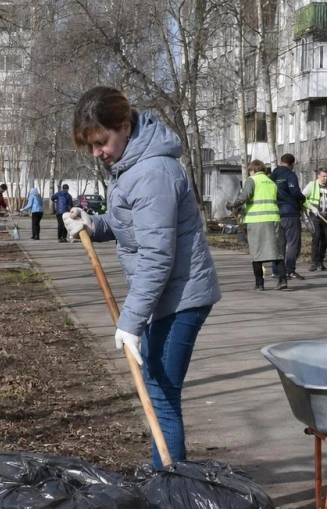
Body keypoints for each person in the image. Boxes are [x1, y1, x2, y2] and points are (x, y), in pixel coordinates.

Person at [62, 86, 221, 469]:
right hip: (164, 296)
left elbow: (157, 256)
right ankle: (166, 482)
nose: (97, 152)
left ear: (125, 125)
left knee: (161, 396)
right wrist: (93, 224)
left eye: (101, 142)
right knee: (158, 390)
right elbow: (134, 226)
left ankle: (170, 492)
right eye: (91, 146)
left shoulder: (152, 172)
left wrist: (130, 321)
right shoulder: (131, 166)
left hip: (181, 297)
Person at [227, 160, 287, 291]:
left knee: (257, 252)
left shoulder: (252, 180)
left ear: (252, 170)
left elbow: (244, 197)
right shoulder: (271, 182)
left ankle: (259, 284)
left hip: (257, 221)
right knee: (277, 251)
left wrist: (233, 205)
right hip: (273, 220)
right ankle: (283, 280)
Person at [270, 153, 306, 281]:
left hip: (275, 213)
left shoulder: (272, 175)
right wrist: (303, 198)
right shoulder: (290, 175)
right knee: (293, 243)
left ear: (281, 161)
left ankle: (275, 270)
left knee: (279, 243)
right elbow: (295, 192)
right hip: (290, 212)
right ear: (292, 164)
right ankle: (290, 270)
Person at [302, 168, 327, 271]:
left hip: (326, 217)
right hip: (315, 216)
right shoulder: (312, 185)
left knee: (325, 240)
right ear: (318, 176)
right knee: (316, 238)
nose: (325, 178)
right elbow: (302, 197)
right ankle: (314, 262)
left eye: (326, 176)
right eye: (323, 176)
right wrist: (312, 208)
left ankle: (320, 262)